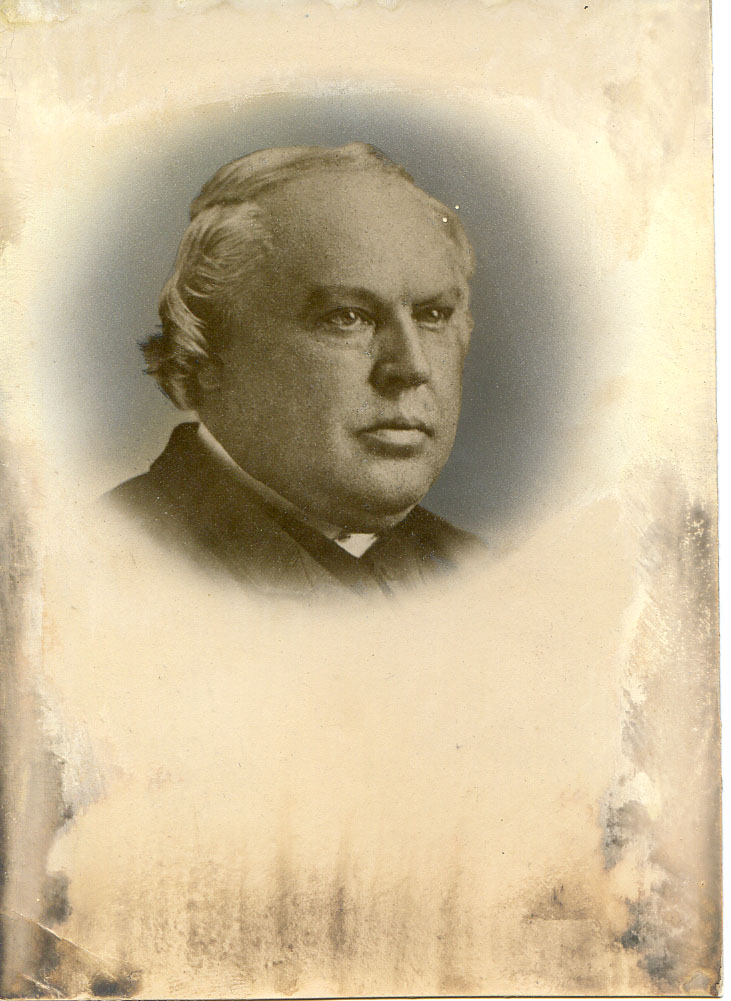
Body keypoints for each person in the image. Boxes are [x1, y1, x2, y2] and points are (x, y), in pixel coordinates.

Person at [105, 142, 486, 596]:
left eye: (433, 315)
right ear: (205, 355)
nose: (412, 367)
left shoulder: (473, 567)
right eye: (347, 317)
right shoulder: (116, 561)